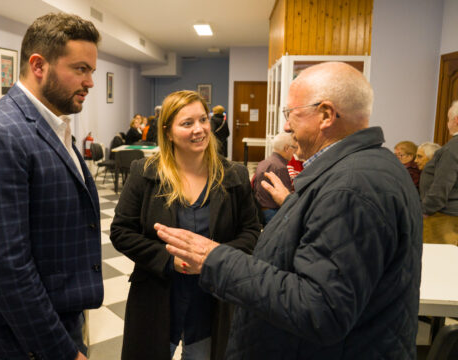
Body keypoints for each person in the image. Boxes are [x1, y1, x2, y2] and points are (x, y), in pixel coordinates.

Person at [155, 62, 423, 359]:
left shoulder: (351, 187)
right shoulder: (362, 170)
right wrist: (296, 206)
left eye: (291, 113)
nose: (285, 126)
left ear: (325, 115)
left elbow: (320, 309)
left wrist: (215, 259)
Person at [0, 13, 103, 360]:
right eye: (81, 69)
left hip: (60, 317)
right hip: (23, 340)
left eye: (92, 71)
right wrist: (61, 351)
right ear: (39, 65)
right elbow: (7, 269)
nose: (90, 82)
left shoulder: (54, 126)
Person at [110, 90, 260, 359]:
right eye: (187, 123)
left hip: (213, 298)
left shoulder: (233, 176)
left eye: (203, 120)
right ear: (168, 132)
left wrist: (213, 256)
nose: (200, 129)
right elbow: (121, 232)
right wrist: (169, 260)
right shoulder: (145, 173)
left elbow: (251, 233)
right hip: (158, 295)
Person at [420, 101, 458, 245]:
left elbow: (442, 187)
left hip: (444, 220)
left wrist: (423, 210)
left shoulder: (452, 148)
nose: (447, 124)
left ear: (456, 120)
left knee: (437, 264)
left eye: (448, 119)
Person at [253, 132, 297, 224]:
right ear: (286, 148)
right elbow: (285, 197)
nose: (295, 152)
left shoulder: (264, 162)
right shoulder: (281, 167)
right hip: (273, 212)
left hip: (260, 209)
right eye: (294, 148)